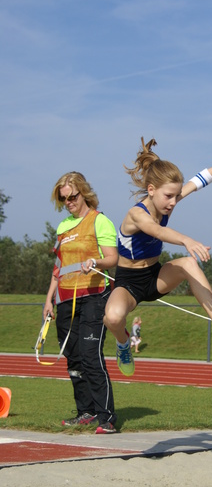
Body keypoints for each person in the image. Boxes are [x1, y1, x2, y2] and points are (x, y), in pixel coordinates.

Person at [104, 137, 212, 376]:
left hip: (156, 275)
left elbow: (202, 178)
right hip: (129, 283)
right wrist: (186, 240)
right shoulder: (137, 214)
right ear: (151, 190)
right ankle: (123, 344)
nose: (173, 202)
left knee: (189, 263)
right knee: (113, 318)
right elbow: (157, 230)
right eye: (169, 196)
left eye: (177, 196)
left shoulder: (169, 199)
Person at [43, 172, 119, 435]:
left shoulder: (100, 221)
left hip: (94, 297)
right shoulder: (62, 228)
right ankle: (84, 412)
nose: (68, 202)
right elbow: (58, 267)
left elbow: (112, 258)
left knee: (90, 356)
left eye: (72, 197)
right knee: (73, 358)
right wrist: (49, 299)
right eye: (64, 199)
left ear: (84, 193)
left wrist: (95, 262)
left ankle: (106, 417)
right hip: (65, 300)